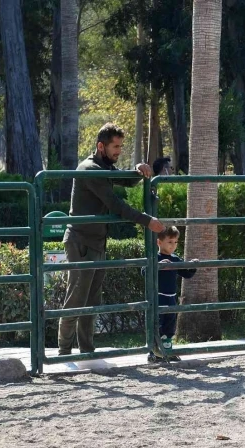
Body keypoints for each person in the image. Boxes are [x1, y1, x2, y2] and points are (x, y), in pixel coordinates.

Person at [59, 122, 165, 356]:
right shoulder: (90, 169)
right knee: (77, 297)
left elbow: (125, 180)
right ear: (101, 146)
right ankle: (63, 352)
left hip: (96, 241)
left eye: (120, 146)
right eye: (115, 146)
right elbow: (114, 204)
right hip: (81, 241)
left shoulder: (103, 166)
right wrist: (147, 220)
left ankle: (86, 350)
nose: (118, 151)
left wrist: (141, 169)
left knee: (91, 300)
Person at [144, 226, 198, 362]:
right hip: (157, 298)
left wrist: (192, 266)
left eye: (175, 242)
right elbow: (144, 272)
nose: (173, 245)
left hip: (171, 298)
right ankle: (154, 353)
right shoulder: (154, 257)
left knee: (170, 326)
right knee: (157, 325)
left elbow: (186, 274)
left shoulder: (175, 259)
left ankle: (168, 351)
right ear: (159, 242)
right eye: (169, 242)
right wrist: (158, 266)